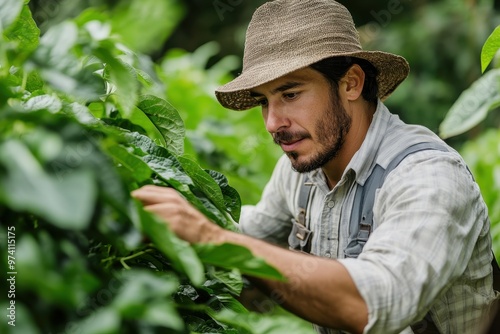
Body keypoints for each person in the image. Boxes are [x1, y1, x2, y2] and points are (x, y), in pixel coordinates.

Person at [132, 0, 499, 333]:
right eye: (264, 101)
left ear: (351, 83)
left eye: (290, 94)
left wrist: (211, 238)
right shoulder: (305, 168)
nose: (273, 122)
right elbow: (248, 239)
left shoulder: (428, 176)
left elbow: (378, 301)